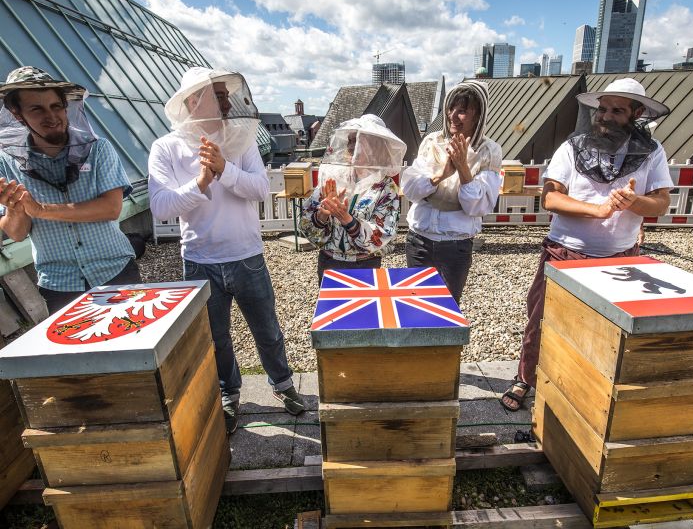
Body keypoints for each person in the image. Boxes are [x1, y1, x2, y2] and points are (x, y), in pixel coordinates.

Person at [501, 78, 674, 411]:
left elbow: (661, 203)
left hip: (618, 258)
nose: (606, 117)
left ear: (637, 113)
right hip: (564, 250)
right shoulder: (572, 147)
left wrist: (633, 202)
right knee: (541, 317)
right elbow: (550, 197)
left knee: (603, 330)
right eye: (602, 109)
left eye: (617, 111)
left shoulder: (653, 152)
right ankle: (526, 377)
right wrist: (598, 210)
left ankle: (584, 385)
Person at [148, 67, 304, 433]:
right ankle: (228, 394)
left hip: (246, 254)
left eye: (223, 94)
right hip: (200, 260)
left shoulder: (241, 139)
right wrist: (202, 180)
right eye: (214, 94)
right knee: (216, 337)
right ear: (191, 101)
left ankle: (282, 384)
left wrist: (224, 169)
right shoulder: (166, 147)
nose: (223, 101)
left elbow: (260, 189)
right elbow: (162, 206)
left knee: (266, 328)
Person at [0, 66, 140, 313]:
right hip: (60, 283)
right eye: (37, 109)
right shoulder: (6, 162)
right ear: (17, 115)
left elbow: (110, 208)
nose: (51, 116)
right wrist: (14, 210)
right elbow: (18, 233)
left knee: (132, 344)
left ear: (66, 106)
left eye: (56, 106)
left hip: (114, 271)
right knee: (81, 350)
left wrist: (41, 209)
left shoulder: (98, 149)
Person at [401, 81, 502, 303]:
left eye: (463, 111)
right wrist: (442, 174)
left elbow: (480, 206)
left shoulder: (488, 150)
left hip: (455, 245)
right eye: (451, 109)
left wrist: (463, 168)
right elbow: (410, 188)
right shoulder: (432, 141)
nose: (453, 116)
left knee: (446, 308)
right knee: (415, 303)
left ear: (479, 116)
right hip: (419, 240)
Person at [299, 114, 406, 283]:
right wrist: (323, 215)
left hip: (364, 266)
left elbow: (384, 233)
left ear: (375, 147)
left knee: (364, 310)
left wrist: (347, 219)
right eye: (349, 141)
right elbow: (306, 225)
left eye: (357, 141)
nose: (350, 146)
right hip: (329, 262)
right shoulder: (334, 178)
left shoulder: (386, 188)